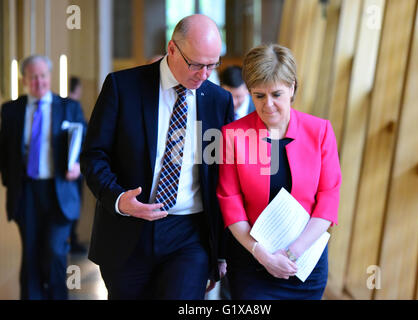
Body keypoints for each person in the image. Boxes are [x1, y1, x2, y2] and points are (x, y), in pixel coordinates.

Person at [80, 14, 234, 300]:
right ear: (172, 49)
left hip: (189, 234)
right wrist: (118, 199)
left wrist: (220, 252)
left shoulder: (218, 100)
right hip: (128, 230)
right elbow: (93, 155)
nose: (204, 75)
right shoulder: (122, 87)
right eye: (197, 64)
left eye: (213, 66)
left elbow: (222, 177)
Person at [216, 44, 342, 300]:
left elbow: (328, 200)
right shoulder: (233, 135)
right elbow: (230, 203)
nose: (268, 105)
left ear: (292, 87)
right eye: (259, 96)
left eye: (276, 94)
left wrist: (292, 253)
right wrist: (262, 255)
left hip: (304, 263)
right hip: (252, 263)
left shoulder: (320, 131)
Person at [0, 55, 86, 299]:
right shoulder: (11, 110)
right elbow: (5, 151)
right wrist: (10, 181)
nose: (39, 82)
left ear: (50, 77)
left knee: (55, 250)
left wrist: (78, 166)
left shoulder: (69, 107)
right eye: (33, 77)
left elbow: (86, 145)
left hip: (59, 191)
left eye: (43, 76)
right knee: (30, 254)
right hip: (26, 192)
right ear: (24, 79)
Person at [67, 76, 88, 255]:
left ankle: (71, 238)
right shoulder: (73, 108)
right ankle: (71, 238)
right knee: (73, 204)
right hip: (72, 169)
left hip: (76, 167)